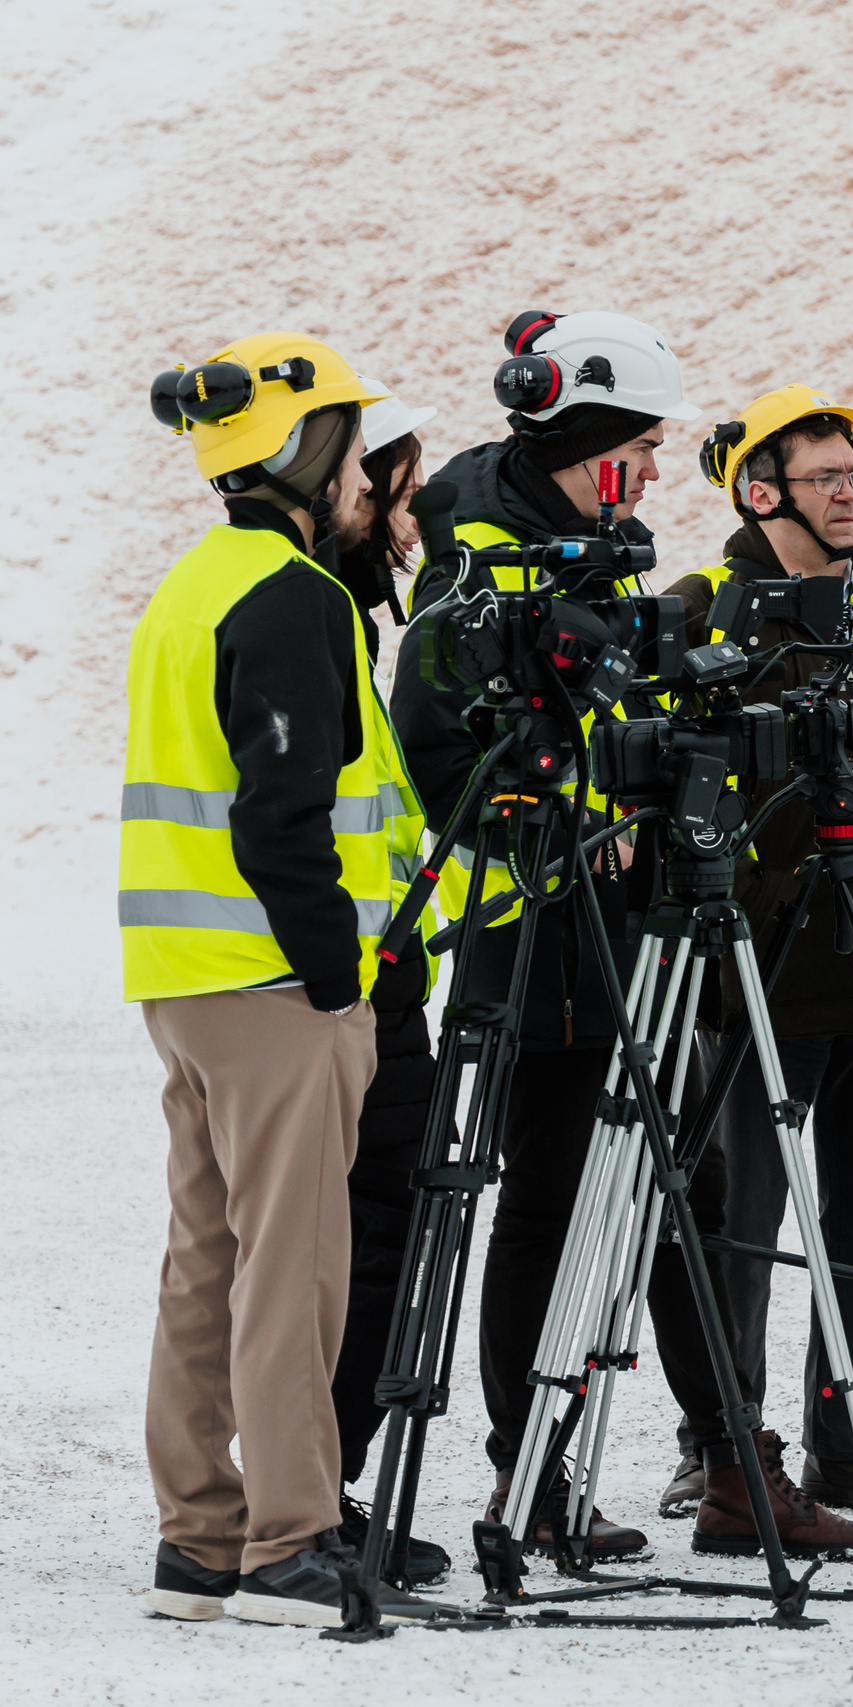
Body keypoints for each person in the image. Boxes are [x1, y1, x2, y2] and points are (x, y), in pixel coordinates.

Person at [391, 310, 822, 1555]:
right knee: (552, 1204)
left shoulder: (587, 545)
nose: (642, 477)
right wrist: (578, 827)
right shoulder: (479, 568)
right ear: (575, 441)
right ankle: (530, 1484)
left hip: (623, 921)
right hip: (536, 930)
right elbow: (450, 758)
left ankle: (729, 1461)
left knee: (688, 1183)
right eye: (629, 450)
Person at [126, 333, 440, 1626]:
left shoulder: (190, 585)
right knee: (294, 1267)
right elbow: (283, 817)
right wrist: (334, 975)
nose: (369, 475)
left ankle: (200, 1536)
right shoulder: (293, 594)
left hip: (187, 978)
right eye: (355, 449)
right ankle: (290, 1543)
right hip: (274, 987)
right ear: (304, 454)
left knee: (206, 1260)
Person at [651, 385, 853, 1548]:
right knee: (739, 1219)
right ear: (761, 490)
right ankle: (729, 1449)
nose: (851, 496)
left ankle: (848, 1444)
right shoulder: (706, 612)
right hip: (755, 973)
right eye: (826, 478)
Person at [322, 387, 455, 1585]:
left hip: (383, 962)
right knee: (365, 1237)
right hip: (352, 976)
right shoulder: (323, 620)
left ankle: (328, 1485)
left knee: (392, 1227)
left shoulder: (359, 619)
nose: (405, 521)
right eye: (394, 495)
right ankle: (317, 1494)